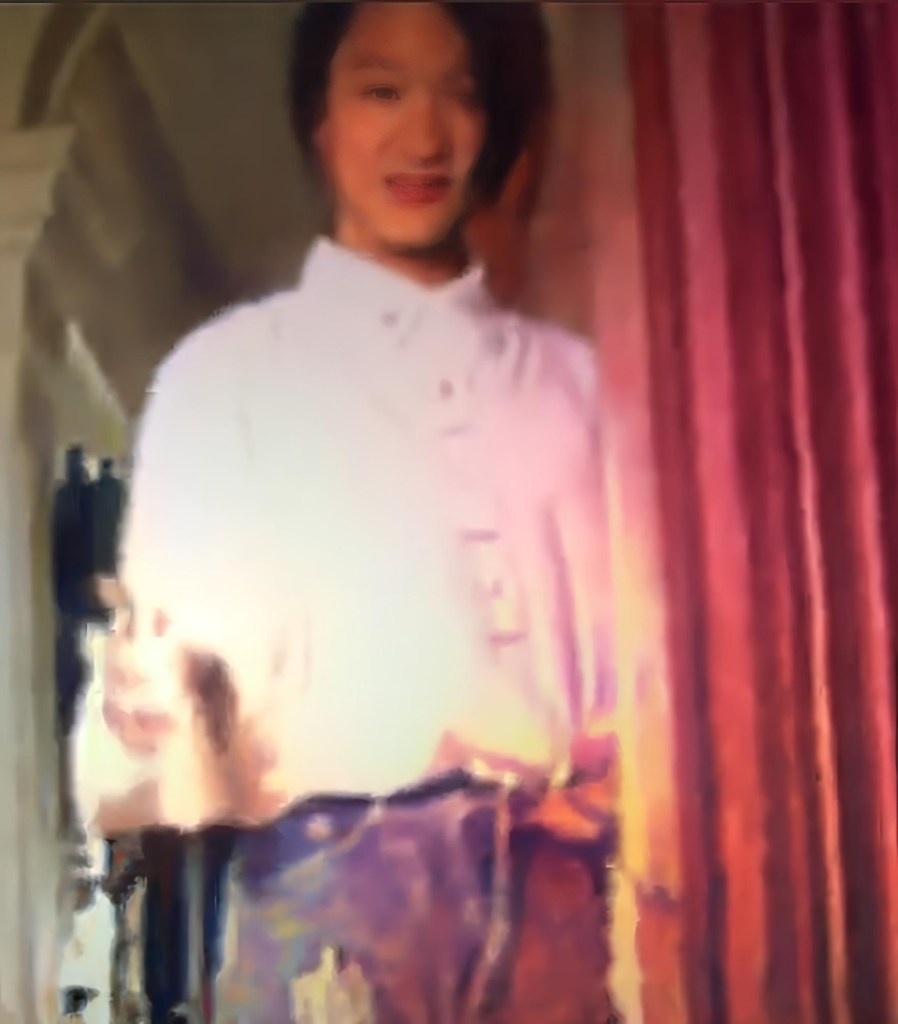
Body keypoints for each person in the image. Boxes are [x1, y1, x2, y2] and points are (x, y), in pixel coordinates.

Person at [89, 3, 628, 1021]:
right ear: (320, 117)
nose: (424, 136)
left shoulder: (577, 389)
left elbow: (647, 683)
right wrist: (153, 712)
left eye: (460, 95)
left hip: (560, 908)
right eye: (382, 91)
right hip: (324, 911)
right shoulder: (223, 382)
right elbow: (166, 746)